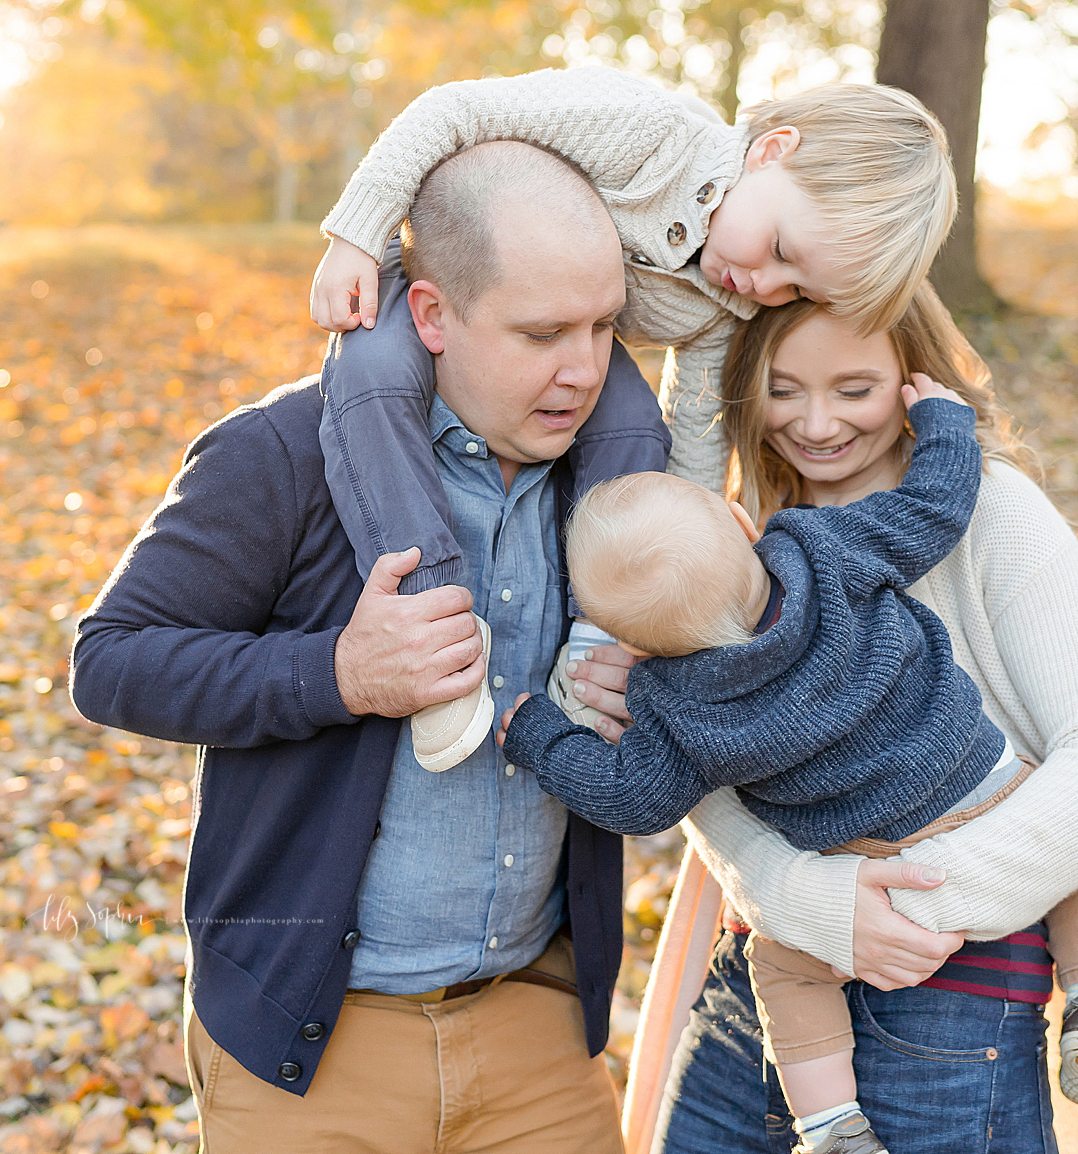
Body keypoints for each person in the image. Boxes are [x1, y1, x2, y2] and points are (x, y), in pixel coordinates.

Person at [70, 140, 665, 1152]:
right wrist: (337, 671)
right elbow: (111, 658)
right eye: (541, 331)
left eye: (604, 326)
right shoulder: (280, 453)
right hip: (315, 1045)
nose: (583, 369)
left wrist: (652, 676)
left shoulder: (610, 481)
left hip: (538, 1025)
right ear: (431, 315)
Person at [551, 287, 1078, 1154]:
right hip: (759, 984)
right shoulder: (728, 537)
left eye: (854, 388)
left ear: (913, 379)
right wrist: (805, 901)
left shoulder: (990, 510)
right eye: (781, 386)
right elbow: (705, 768)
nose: (815, 423)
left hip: (950, 1001)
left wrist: (899, 914)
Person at [297, 70, 956, 763]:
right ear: (771, 152)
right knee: (371, 377)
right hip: (470, 282)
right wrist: (357, 236)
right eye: (782, 251)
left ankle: (593, 645)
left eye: (795, 287)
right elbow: (453, 110)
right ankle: (434, 616)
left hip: (580, 337)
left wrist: (691, 560)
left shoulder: (726, 305)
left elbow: (695, 436)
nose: (765, 284)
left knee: (636, 429)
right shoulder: (650, 136)